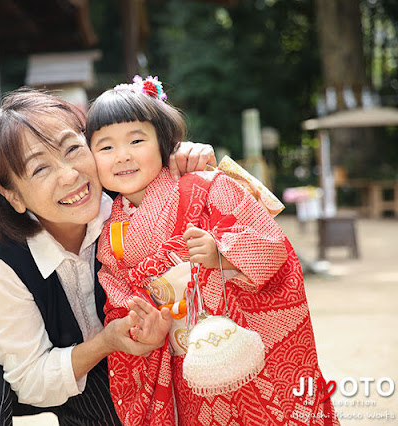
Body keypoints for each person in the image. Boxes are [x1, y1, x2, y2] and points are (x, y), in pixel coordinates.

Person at [0, 87, 217, 426]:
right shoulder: (2, 259)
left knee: (111, 395)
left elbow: (181, 182)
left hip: (80, 339)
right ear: (13, 196)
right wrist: (106, 342)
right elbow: (31, 379)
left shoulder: (122, 193)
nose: (69, 175)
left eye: (72, 149)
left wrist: (187, 159)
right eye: (39, 169)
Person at [85, 76, 338, 425]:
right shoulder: (109, 235)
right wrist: (142, 326)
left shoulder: (205, 185)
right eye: (106, 147)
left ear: (164, 143)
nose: (123, 155)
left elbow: (271, 243)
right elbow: (120, 302)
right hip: (184, 367)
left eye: (137, 140)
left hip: (243, 344)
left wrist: (222, 254)